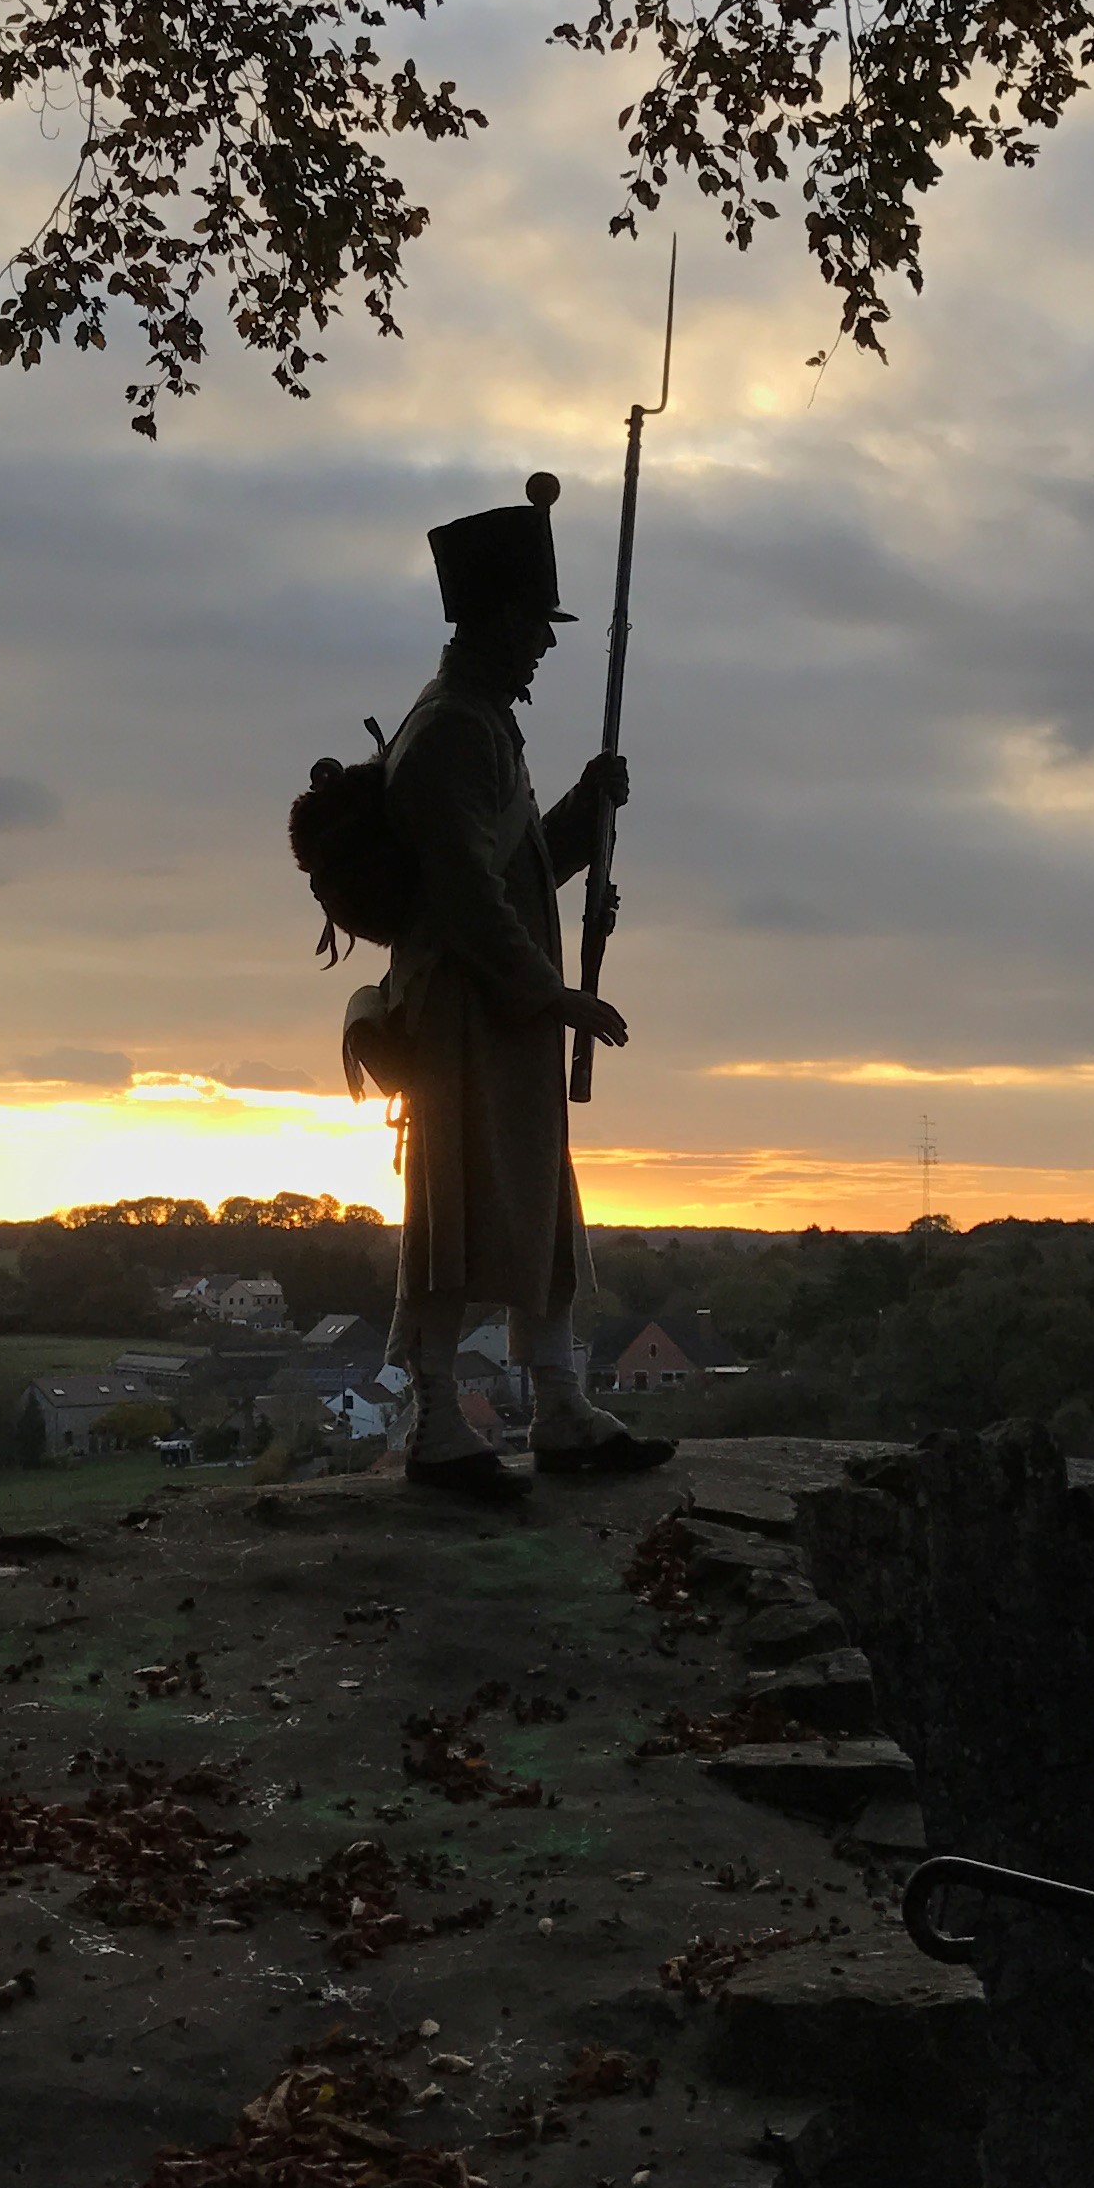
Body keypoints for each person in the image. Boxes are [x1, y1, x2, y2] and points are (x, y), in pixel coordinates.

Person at [351, 479, 677, 1501]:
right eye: (533, 625)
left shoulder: (484, 726)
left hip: (502, 1019)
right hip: (462, 1019)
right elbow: (464, 899)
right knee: (453, 1227)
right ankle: (437, 1421)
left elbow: (522, 868)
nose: (543, 645)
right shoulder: (450, 731)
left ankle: (559, 1405)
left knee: (535, 1216)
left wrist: (587, 808)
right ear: (493, 622)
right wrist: (558, 997)